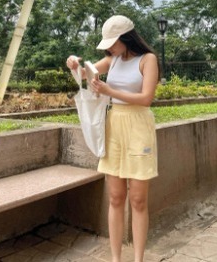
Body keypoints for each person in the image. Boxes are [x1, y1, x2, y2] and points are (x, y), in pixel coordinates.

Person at [66, 15, 159, 262]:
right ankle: (116, 258)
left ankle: (138, 259)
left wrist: (110, 91)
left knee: (138, 199)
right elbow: (87, 73)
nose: (109, 48)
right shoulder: (113, 59)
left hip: (139, 127)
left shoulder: (148, 60)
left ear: (126, 38)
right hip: (114, 126)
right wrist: (75, 63)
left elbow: (146, 98)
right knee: (116, 196)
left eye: (112, 42)